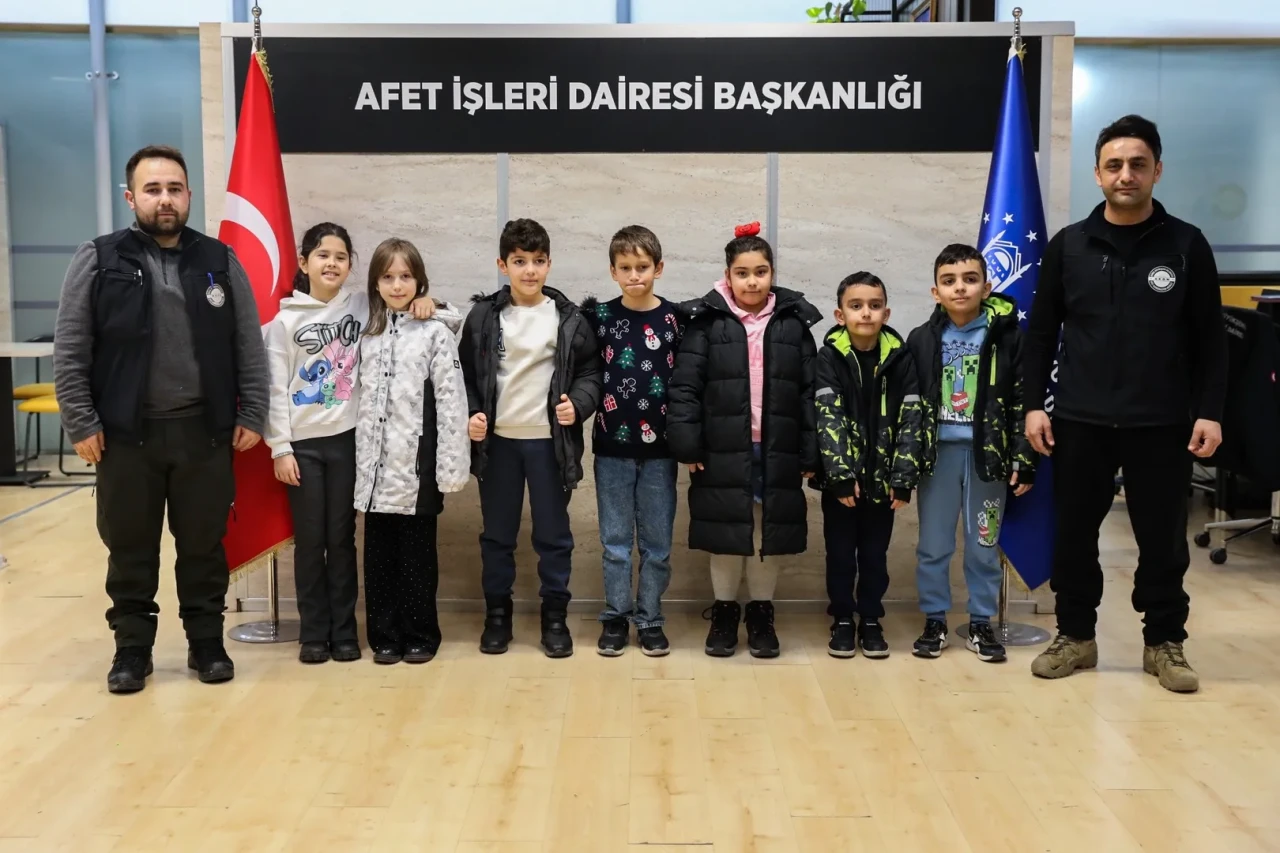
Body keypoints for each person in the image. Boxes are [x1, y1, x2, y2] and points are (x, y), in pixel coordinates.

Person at [53, 144, 268, 693]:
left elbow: (248, 345)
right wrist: (80, 421)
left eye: (174, 189)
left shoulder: (219, 260)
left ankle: (206, 643)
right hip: (126, 438)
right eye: (153, 189)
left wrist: (253, 410)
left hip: (204, 434)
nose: (165, 199)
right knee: (130, 549)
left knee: (203, 547)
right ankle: (132, 650)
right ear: (132, 198)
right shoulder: (99, 259)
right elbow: (71, 349)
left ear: (189, 195)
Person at [1024, 115, 1226, 693]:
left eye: (1138, 164)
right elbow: (1041, 334)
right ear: (1097, 174)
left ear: (1157, 170)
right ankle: (1075, 637)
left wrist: (1210, 411)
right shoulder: (1069, 246)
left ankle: (1164, 643)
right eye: (1114, 165)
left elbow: (1211, 340)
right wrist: (1034, 405)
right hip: (1078, 419)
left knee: (1162, 541)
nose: (1126, 174)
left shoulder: (1186, 245)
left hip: (1162, 420)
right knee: (1073, 537)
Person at [263, 223, 436, 665]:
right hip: (302, 448)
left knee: (341, 539)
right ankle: (313, 633)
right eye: (323, 255)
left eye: (341, 257)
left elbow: (410, 308)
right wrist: (280, 448)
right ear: (304, 263)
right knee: (310, 541)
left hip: (347, 443)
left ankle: (344, 632)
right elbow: (274, 390)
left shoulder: (362, 306)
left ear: (351, 266)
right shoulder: (283, 322)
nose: (332, 263)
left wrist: (427, 301)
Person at [668, 221, 821, 659]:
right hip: (721, 449)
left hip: (777, 448)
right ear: (728, 275)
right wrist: (688, 443)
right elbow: (685, 388)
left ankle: (760, 613)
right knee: (727, 533)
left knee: (765, 534)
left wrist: (810, 451)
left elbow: (810, 393)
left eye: (760, 271)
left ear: (772, 273)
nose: (752, 281)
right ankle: (723, 612)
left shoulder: (792, 323)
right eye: (742, 273)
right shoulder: (705, 323)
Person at [460, 218, 602, 658]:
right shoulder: (484, 317)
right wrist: (471, 415)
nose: (530, 270)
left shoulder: (569, 319)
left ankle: (554, 618)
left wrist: (578, 405)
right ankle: (497, 617)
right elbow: (463, 376)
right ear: (502, 265)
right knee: (497, 536)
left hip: (549, 446)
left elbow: (591, 373)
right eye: (519, 261)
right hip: (498, 445)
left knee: (554, 537)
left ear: (549, 264)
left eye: (538, 261)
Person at [906, 244, 1035, 664]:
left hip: (988, 460)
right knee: (934, 543)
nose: (959, 288)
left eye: (969, 279)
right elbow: (910, 404)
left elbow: (1023, 401)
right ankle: (935, 620)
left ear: (986, 286)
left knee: (983, 542)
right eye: (949, 281)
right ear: (935, 291)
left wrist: (1023, 459)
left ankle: (981, 621)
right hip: (937, 458)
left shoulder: (1008, 338)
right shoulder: (922, 339)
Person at [354, 238, 468, 664]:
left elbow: (452, 403)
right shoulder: (366, 332)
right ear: (375, 282)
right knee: (378, 558)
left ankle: (421, 633)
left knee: (417, 558)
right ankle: (383, 635)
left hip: (416, 470)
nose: (397, 285)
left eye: (406, 276)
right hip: (373, 471)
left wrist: (451, 469)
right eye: (388, 277)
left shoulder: (434, 333)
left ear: (420, 281)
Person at [581, 225, 683, 658]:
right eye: (625, 267)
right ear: (613, 271)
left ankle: (651, 618)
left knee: (657, 545)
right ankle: (617, 617)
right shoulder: (598, 318)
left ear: (658, 268)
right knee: (616, 542)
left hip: (662, 452)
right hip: (612, 448)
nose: (634, 275)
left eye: (642, 266)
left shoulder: (676, 320)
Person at [813, 271, 922, 659]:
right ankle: (843, 618)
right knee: (841, 555)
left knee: (875, 556)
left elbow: (912, 420)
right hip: (841, 485)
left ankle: (871, 618)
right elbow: (827, 418)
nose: (866, 313)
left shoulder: (901, 358)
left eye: (875, 306)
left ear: (886, 313)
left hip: (884, 482)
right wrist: (840, 477)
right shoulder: (828, 358)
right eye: (856, 306)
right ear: (840, 314)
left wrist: (903, 478)